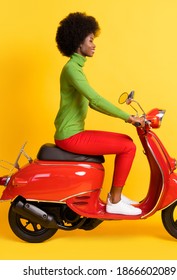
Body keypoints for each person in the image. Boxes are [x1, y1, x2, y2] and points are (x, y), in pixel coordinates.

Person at [54, 12, 143, 215]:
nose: (94, 45)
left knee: (126, 141)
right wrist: (128, 117)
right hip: (70, 136)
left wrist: (127, 118)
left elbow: (91, 103)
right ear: (78, 42)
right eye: (91, 40)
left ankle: (114, 197)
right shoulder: (72, 70)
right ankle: (115, 200)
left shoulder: (76, 69)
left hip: (72, 134)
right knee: (127, 146)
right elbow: (95, 99)